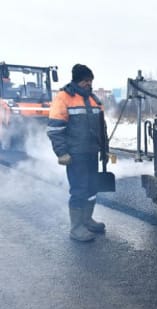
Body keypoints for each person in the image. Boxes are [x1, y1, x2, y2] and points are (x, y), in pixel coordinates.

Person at [47, 64, 108, 242]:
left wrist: (104, 150)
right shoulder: (64, 98)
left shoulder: (94, 99)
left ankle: (87, 220)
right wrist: (62, 153)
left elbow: (102, 129)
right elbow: (54, 129)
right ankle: (76, 228)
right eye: (85, 81)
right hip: (75, 155)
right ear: (76, 80)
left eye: (90, 81)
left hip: (91, 153)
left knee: (91, 188)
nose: (88, 84)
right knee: (79, 189)